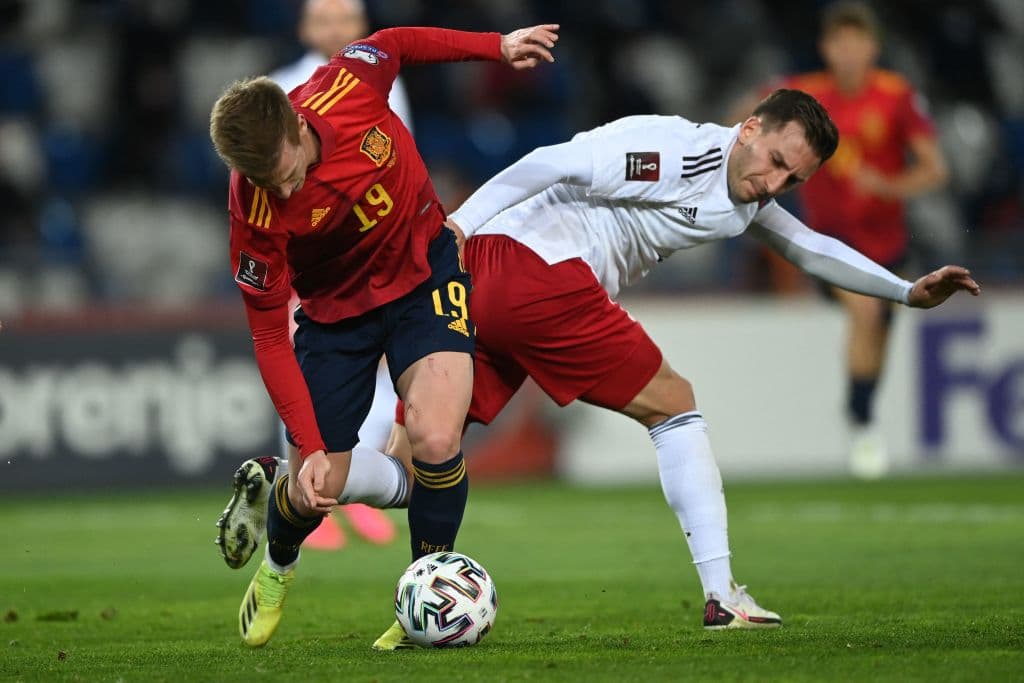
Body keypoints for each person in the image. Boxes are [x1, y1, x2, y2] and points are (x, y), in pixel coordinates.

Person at [369, 88, 978, 647]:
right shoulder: (673, 152)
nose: (775, 183)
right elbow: (553, 162)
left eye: (792, 179)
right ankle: (722, 596)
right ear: (749, 127)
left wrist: (904, 291)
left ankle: (292, 486)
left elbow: (808, 246)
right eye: (774, 160)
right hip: (537, 273)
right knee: (674, 404)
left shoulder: (742, 189)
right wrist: (459, 224)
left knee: (416, 454)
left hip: (486, 283)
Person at [208, 22, 560, 648]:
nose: (284, 191)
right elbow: (267, 338)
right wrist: (313, 446)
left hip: (425, 272)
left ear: (297, 125)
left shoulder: (347, 86)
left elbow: (396, 40)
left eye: (287, 173)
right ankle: (278, 567)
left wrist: (496, 47)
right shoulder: (253, 212)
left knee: (434, 435)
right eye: (267, 184)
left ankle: (420, 597)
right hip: (336, 313)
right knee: (320, 486)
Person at [749, 2, 949, 478]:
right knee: (865, 310)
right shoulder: (807, 96)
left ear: (873, 47)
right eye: (839, 44)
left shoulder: (896, 96)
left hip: (889, 243)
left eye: (857, 43)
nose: (848, 53)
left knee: (878, 325)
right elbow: (750, 116)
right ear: (826, 49)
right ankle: (861, 422)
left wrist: (889, 186)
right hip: (829, 242)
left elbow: (935, 170)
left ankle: (862, 409)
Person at [267, 0, 416, 551]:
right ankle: (300, 494)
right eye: (323, 19)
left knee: (377, 374)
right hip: (309, 266)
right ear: (305, 27)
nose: (334, 28)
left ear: (360, 26)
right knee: (303, 375)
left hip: (372, 254)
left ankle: (350, 490)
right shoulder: (276, 88)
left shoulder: (380, 79)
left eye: (345, 18)